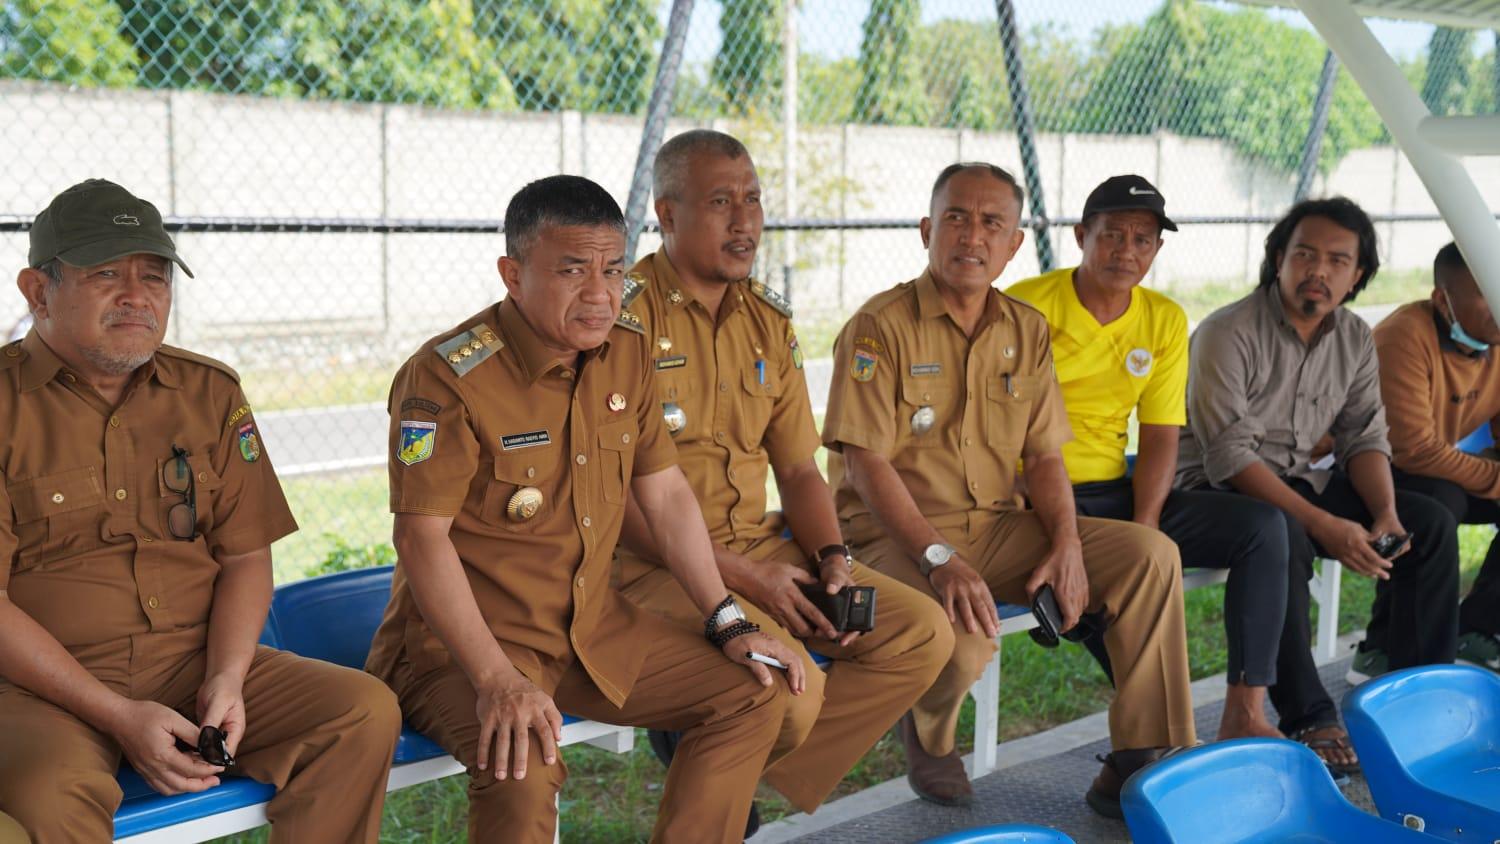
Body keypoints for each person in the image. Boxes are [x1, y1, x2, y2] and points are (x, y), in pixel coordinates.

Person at [364, 174, 803, 844]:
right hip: (464, 650)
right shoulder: (447, 379)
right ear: (513, 274)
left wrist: (727, 619)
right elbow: (422, 540)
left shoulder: (626, 350)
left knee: (752, 691)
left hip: (590, 633)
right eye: (573, 271)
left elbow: (666, 494)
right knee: (525, 765)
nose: (600, 294)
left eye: (614, 269)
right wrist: (496, 681)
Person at [0, 179, 401, 842]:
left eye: (155, 277)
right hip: (39, 686)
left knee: (359, 713)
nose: (137, 296)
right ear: (38, 291)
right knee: (52, 794)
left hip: (189, 661)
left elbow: (245, 555)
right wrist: (117, 714)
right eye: (106, 274)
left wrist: (226, 679)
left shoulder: (208, 392)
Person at [823, 162, 1196, 817]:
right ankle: (929, 731)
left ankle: (1142, 759)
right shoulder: (879, 325)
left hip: (997, 524)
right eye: (956, 219)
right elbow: (863, 462)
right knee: (963, 635)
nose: (972, 236)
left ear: (1015, 243)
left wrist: (1068, 543)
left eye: (991, 222)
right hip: (894, 538)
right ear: (925, 230)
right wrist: (939, 560)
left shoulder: (1025, 328)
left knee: (1151, 555)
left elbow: (1044, 452)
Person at [613, 130, 953, 815]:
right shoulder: (622, 320)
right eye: (721, 202)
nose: (745, 221)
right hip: (652, 560)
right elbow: (616, 502)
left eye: (754, 200)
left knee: (921, 633)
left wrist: (831, 556)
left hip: (759, 543)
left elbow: (798, 468)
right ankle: (721, 782)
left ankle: (728, 781)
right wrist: (744, 579)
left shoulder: (769, 320)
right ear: (668, 214)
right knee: (789, 689)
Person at [1006, 174, 1291, 743]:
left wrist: (1147, 524)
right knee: (1129, 594)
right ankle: (1149, 749)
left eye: (1143, 240)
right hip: (1030, 495)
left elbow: (1161, 434)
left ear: (1157, 250)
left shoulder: (1163, 318)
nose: (1126, 252)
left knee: (1263, 527)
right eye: (1113, 235)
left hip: (1114, 488)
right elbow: (994, 421)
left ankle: (1246, 710)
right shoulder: (1026, 304)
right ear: (1082, 236)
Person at [1177, 197, 1459, 769]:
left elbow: (1363, 437)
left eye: (1337, 260)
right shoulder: (1225, 332)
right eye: (1304, 254)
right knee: (1283, 535)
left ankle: (1414, 701)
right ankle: (1309, 717)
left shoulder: (1354, 337)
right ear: (1278, 258)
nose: (1318, 271)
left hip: (1300, 478)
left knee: (1428, 523)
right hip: (1220, 489)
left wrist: (1383, 513)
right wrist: (1325, 525)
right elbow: (1229, 455)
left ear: (1358, 275)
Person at [1374, 241, 1500, 672]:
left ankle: (1478, 631)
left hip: (1433, 470)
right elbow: (1413, 450)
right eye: (1484, 292)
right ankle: (1383, 649)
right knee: (1436, 506)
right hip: (1370, 470)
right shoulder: (1404, 335)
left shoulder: (1496, 340)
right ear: (1442, 299)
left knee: (1444, 495)